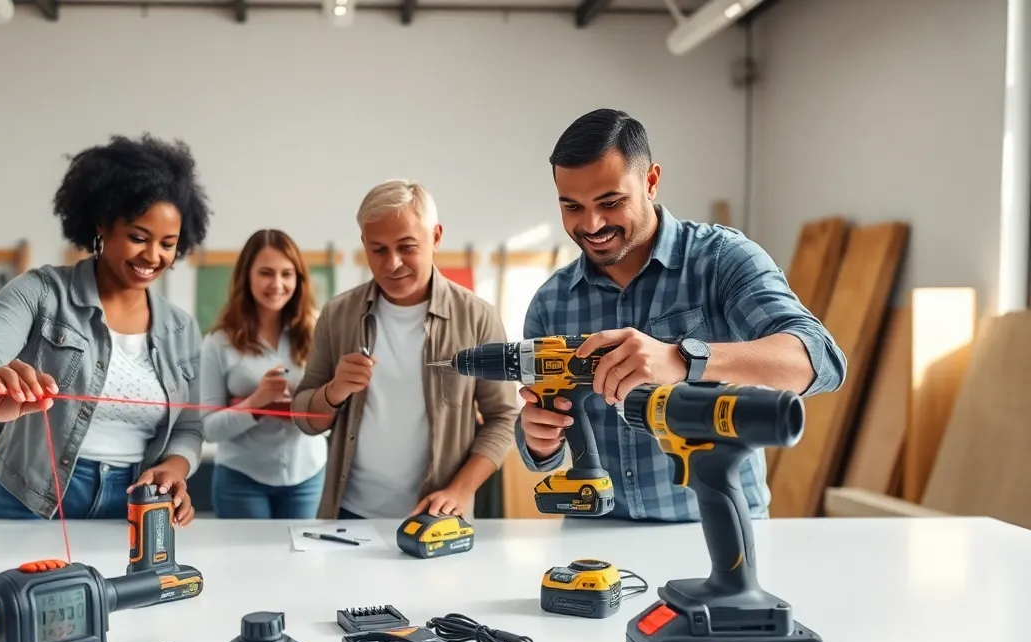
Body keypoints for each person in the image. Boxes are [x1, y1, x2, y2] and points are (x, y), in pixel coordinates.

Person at [515, 109, 847, 522]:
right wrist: (539, 440)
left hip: (716, 527)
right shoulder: (551, 302)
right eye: (572, 207)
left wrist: (683, 359)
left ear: (651, 181)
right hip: (599, 531)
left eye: (610, 202)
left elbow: (822, 362)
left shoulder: (722, 260)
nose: (592, 224)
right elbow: (541, 453)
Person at [0, 134, 211, 524]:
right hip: (29, 499)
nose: (153, 256)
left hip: (134, 502)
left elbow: (190, 425)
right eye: (138, 237)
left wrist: (175, 468)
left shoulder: (181, 328)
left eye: (168, 244)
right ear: (102, 225)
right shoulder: (41, 292)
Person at [291, 180, 518, 520]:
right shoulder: (337, 315)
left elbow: (503, 417)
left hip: (438, 517)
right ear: (364, 245)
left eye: (407, 247)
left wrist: (460, 490)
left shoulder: (477, 317)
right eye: (378, 250)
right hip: (348, 514)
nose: (393, 263)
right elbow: (304, 419)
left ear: (436, 237)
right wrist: (333, 392)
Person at [199, 229, 328, 519]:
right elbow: (209, 429)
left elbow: (333, 419)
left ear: (298, 279)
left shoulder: (319, 329)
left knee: (300, 550)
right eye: (266, 273)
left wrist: (303, 409)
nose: (277, 284)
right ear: (247, 276)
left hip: (307, 475)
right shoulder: (218, 342)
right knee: (249, 552)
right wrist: (256, 403)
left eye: (287, 274)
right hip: (241, 479)